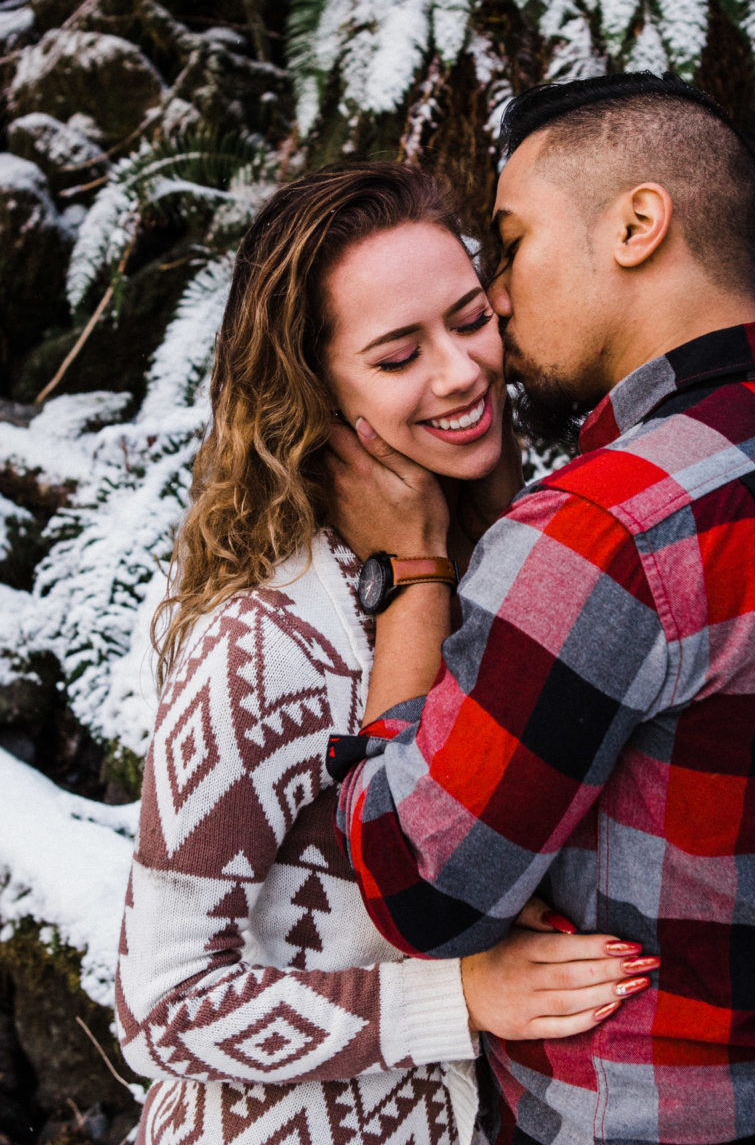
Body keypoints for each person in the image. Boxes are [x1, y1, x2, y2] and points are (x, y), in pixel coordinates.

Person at [114, 162, 657, 1145]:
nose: (458, 372)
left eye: (466, 319)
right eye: (398, 354)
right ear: (314, 390)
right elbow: (159, 1005)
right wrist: (454, 996)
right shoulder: (261, 645)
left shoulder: (501, 575)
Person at [325, 73, 755, 1145]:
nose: (495, 297)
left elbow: (421, 889)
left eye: (513, 240)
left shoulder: (606, 529)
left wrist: (408, 571)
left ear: (636, 224)